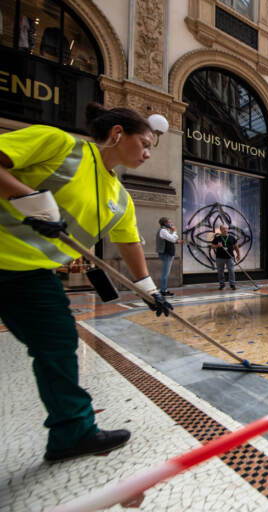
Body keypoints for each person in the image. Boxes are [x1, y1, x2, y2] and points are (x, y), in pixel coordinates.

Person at [0, 102, 173, 462]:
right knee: (57, 345)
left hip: (27, 276)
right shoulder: (59, 144)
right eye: (144, 144)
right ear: (117, 134)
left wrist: (150, 291)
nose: (147, 154)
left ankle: (72, 432)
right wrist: (28, 200)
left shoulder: (119, 198)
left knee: (58, 344)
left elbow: (128, 244)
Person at [156, 217, 183, 296]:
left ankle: (164, 289)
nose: (172, 223)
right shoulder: (163, 231)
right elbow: (172, 239)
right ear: (165, 223)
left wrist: (177, 241)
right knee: (165, 273)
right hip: (166, 254)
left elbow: (171, 240)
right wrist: (174, 231)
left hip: (167, 254)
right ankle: (163, 290)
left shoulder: (165, 231)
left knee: (166, 273)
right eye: (170, 222)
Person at [212, 225, 240, 289]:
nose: (225, 230)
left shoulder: (232, 238)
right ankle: (222, 285)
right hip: (220, 257)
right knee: (220, 271)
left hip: (230, 257)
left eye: (226, 229)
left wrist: (238, 254)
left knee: (231, 271)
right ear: (220, 230)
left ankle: (232, 284)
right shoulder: (217, 238)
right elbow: (212, 246)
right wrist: (217, 246)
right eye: (223, 229)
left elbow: (236, 247)